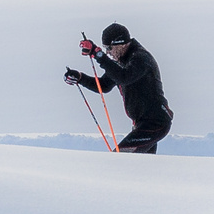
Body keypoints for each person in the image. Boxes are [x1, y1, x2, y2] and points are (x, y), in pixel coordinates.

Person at [65, 23, 172, 153]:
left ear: (121, 43)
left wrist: (98, 55)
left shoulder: (140, 58)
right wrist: (80, 78)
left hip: (156, 123)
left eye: (109, 48)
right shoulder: (122, 62)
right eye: (105, 49)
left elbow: (124, 77)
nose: (108, 53)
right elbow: (103, 86)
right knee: (141, 167)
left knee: (120, 159)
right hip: (142, 124)